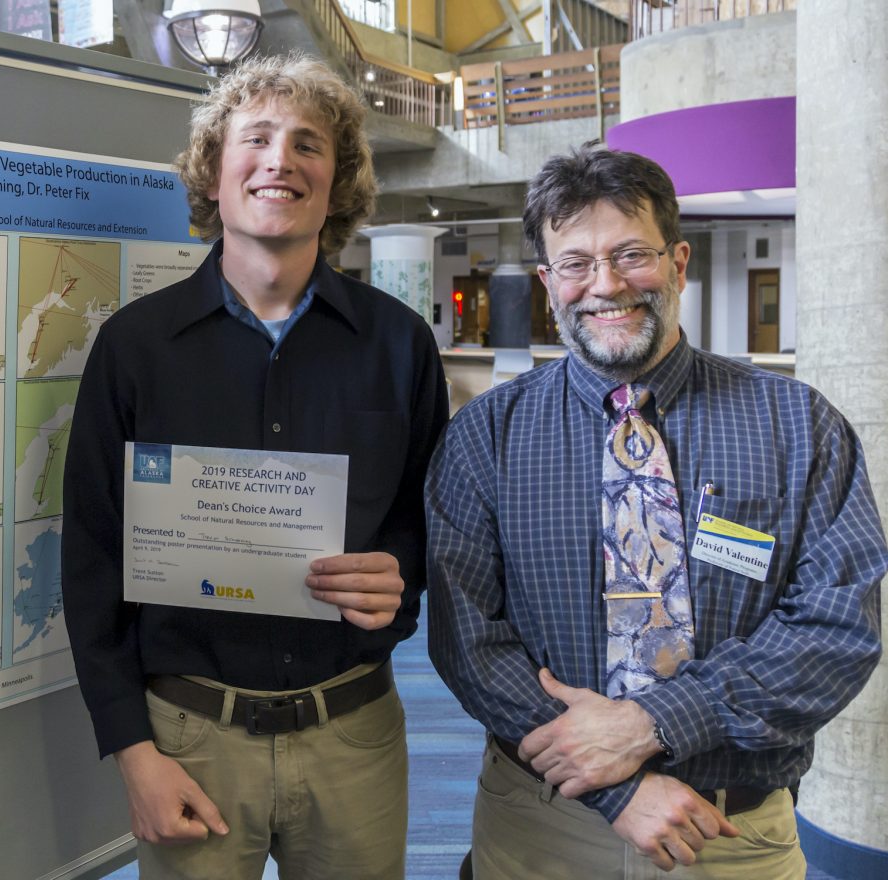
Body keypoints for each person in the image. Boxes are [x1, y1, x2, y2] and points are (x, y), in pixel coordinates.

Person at [426, 143, 885, 879]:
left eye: (631, 255)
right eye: (576, 263)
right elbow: (468, 641)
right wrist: (616, 790)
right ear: (548, 282)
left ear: (678, 262)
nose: (606, 284)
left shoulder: (799, 427)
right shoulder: (487, 436)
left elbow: (837, 627)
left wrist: (655, 723)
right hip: (542, 822)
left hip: (729, 833)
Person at [61, 54, 449, 879]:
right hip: (189, 739)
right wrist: (133, 750)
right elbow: (92, 559)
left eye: (308, 144)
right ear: (214, 172)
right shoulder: (136, 347)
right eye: (258, 138)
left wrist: (399, 576)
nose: (282, 160)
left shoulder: (399, 344)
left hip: (356, 735)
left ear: (338, 184)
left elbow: (425, 522)